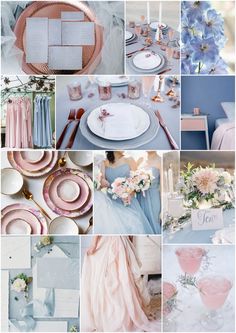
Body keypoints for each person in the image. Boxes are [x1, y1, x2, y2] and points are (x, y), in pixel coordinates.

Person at [81, 236, 159, 332]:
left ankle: (115, 318)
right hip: (120, 242)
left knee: (113, 279)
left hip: (113, 242)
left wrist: (93, 245)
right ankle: (122, 316)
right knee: (121, 278)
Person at [94, 151, 156, 234]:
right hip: (111, 203)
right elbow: (102, 183)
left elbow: (136, 182)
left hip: (129, 202)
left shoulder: (129, 159)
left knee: (133, 225)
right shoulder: (104, 162)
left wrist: (129, 193)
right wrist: (100, 181)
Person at [137, 151, 162, 234]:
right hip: (139, 197)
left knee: (154, 221)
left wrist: (163, 208)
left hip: (153, 198)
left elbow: (162, 187)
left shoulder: (160, 160)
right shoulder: (140, 160)